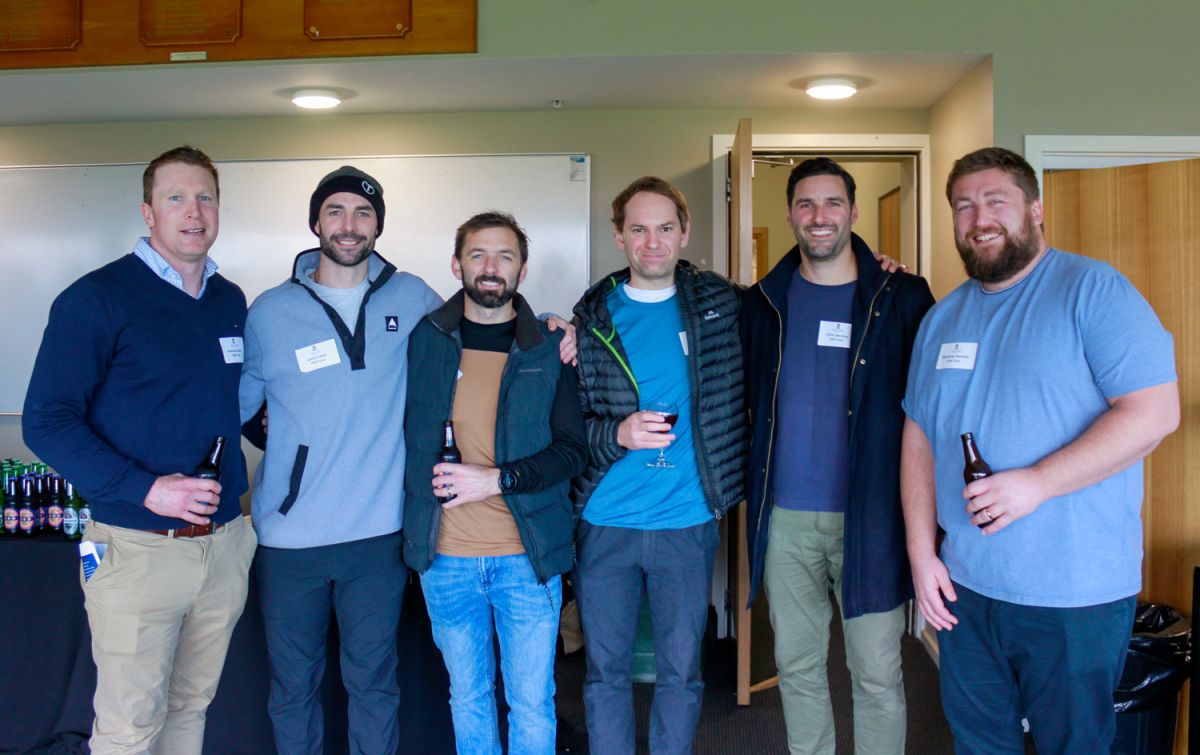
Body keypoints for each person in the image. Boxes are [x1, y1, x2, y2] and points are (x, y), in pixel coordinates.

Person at [900, 147, 1180, 754]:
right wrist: (922, 554)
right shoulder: (941, 319)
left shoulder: (1093, 291)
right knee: (979, 743)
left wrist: (1037, 482)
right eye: (964, 206)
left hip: (1074, 594)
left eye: (995, 200)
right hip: (966, 586)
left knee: (1072, 745)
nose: (979, 218)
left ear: (1035, 209)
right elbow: (919, 436)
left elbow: (1155, 412)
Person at [23, 145, 257, 754]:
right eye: (176, 198)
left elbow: (238, 406)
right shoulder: (96, 299)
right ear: (148, 212)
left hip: (224, 546)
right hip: (134, 549)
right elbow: (46, 421)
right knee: (129, 727)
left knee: (190, 708)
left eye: (205, 198)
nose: (193, 211)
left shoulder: (229, 300)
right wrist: (148, 488)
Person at [239, 166, 443, 753]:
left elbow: (482, 327)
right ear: (315, 223)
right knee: (293, 688)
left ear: (378, 225)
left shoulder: (413, 297)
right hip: (289, 539)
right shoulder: (269, 311)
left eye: (362, 213)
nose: (349, 225)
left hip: (377, 537)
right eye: (335, 211)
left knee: (373, 685)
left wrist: (550, 324)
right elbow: (238, 407)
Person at [741, 158, 934, 754]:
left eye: (832, 203)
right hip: (785, 520)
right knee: (797, 668)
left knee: (876, 673)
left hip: (871, 518)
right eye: (806, 204)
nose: (819, 216)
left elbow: (934, 409)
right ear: (790, 215)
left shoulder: (902, 296)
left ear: (852, 211)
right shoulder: (762, 303)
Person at [571, 176, 747, 754]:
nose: (653, 242)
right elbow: (568, 427)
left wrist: (872, 266)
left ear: (684, 232)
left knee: (682, 673)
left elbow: (790, 299)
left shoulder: (721, 304)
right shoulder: (592, 318)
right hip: (606, 523)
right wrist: (617, 432)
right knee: (605, 674)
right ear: (619, 235)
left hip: (686, 523)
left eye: (665, 228)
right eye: (639, 229)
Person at [402, 211, 587, 755]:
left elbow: (572, 451)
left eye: (505, 256)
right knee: (468, 697)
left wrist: (497, 480)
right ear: (456, 264)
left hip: (525, 559)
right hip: (445, 559)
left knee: (531, 702)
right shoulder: (424, 341)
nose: (490, 267)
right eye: (478, 254)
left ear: (522, 271)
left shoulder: (549, 346)